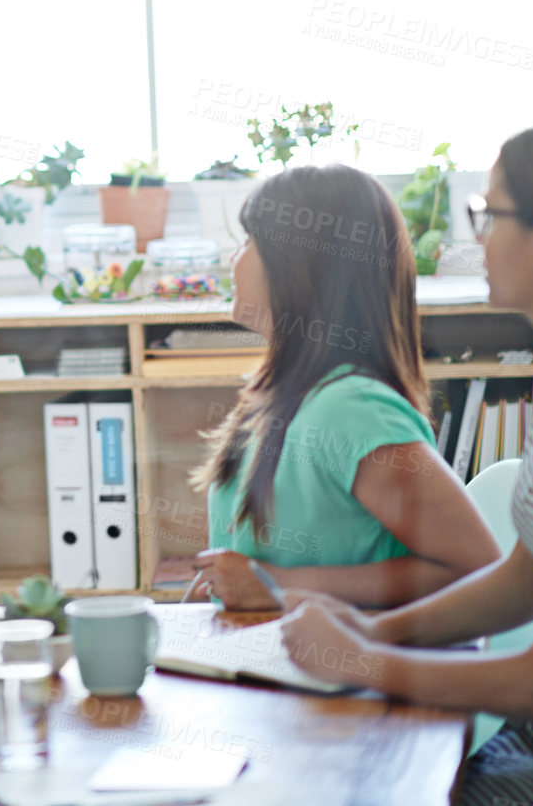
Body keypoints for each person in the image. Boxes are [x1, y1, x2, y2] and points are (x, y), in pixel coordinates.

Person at [280, 120, 533, 806]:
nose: (474, 235)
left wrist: (362, 658)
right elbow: (526, 577)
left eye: (489, 214)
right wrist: (370, 630)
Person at [189, 164, 500, 609]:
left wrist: (280, 584)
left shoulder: (349, 409)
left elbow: (477, 569)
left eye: (250, 241)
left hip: (341, 674)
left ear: (300, 267)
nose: (236, 259)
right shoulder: (276, 394)